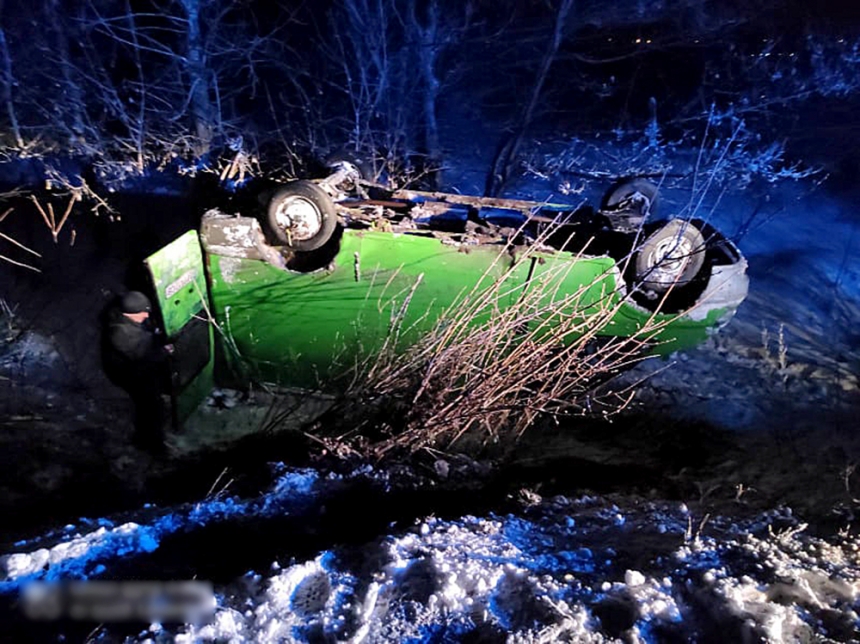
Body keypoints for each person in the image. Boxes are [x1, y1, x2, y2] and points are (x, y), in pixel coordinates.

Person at [102, 291, 174, 454]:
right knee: (150, 406)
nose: (146, 315)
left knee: (155, 397)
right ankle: (152, 445)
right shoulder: (120, 333)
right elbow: (144, 355)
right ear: (129, 314)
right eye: (142, 313)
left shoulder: (131, 319)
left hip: (136, 364)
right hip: (127, 372)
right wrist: (164, 351)